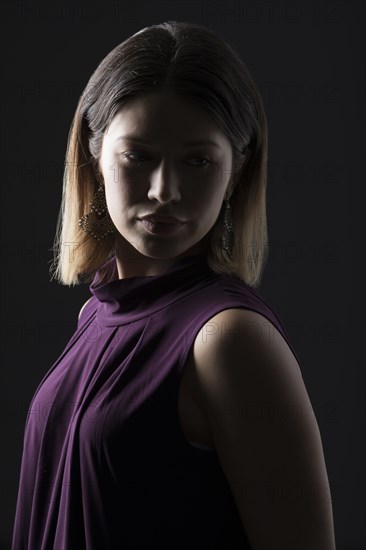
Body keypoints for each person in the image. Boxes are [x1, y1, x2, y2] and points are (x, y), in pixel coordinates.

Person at [12, 20, 336, 549]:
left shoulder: (228, 339)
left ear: (236, 168)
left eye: (198, 160)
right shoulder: (96, 313)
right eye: (138, 155)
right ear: (94, 155)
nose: (165, 190)